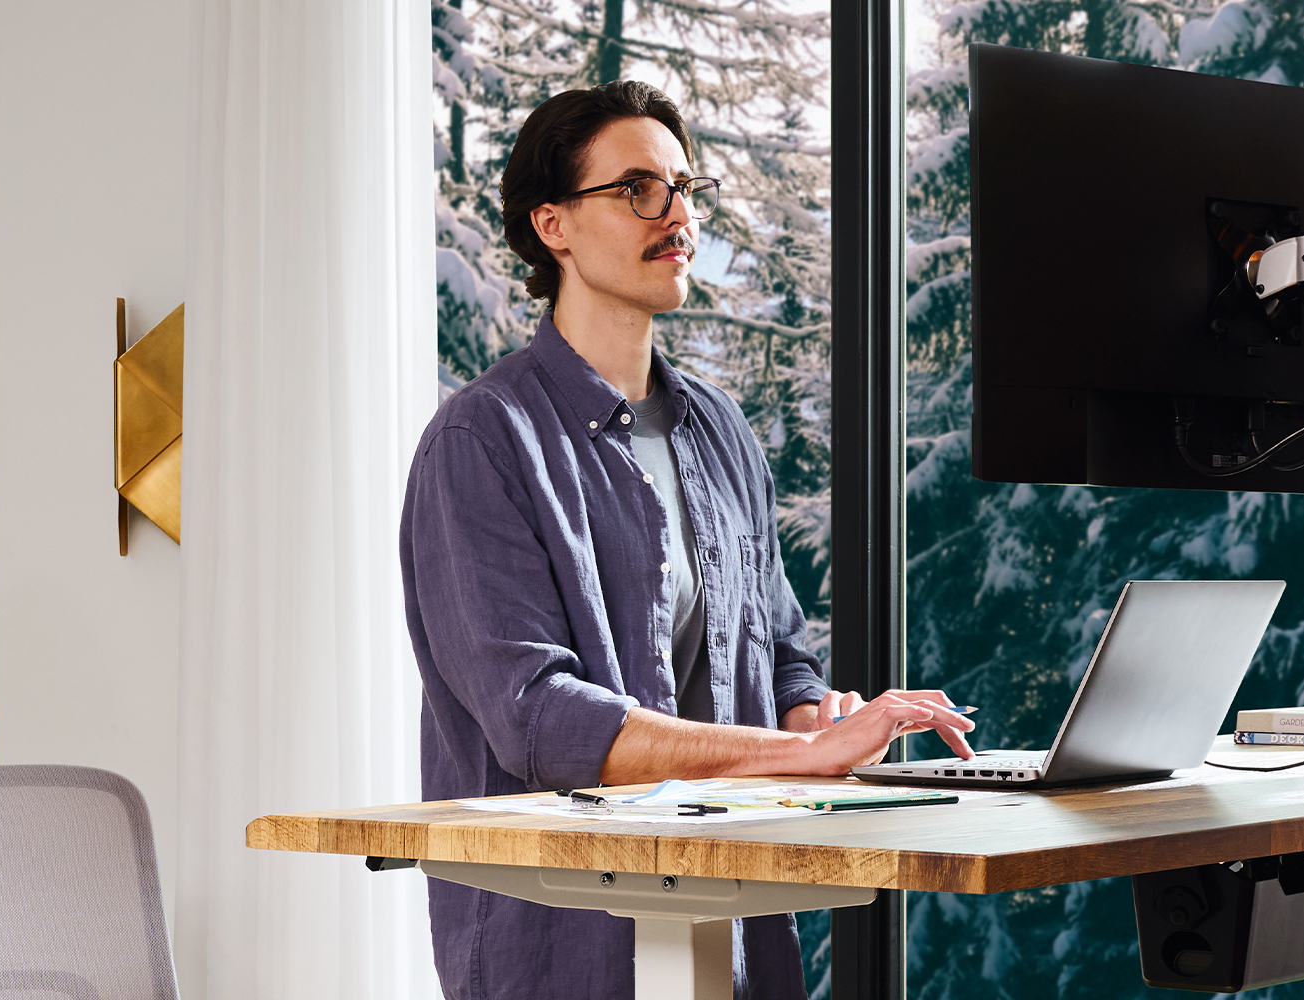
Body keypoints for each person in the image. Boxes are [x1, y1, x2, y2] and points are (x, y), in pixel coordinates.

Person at [400, 80, 975, 1000]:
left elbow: (780, 649)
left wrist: (818, 720)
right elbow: (538, 717)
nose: (676, 215)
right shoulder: (483, 443)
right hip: (566, 938)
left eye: (684, 186)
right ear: (553, 226)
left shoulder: (718, 428)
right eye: (637, 189)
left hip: (734, 909)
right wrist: (796, 759)